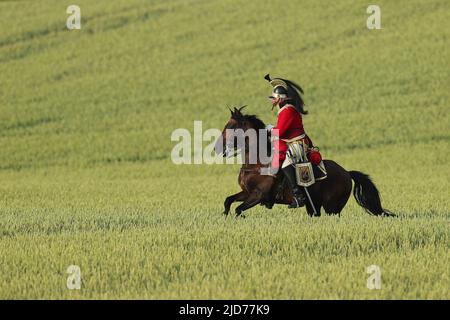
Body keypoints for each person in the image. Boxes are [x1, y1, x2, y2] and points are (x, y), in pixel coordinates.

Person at [264, 74, 322, 208]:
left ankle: (298, 196)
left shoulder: (288, 111)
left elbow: (281, 131)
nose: (272, 101)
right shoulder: (285, 110)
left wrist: (270, 129)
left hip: (297, 144)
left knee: (285, 165)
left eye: (274, 98)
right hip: (291, 143)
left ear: (280, 99)